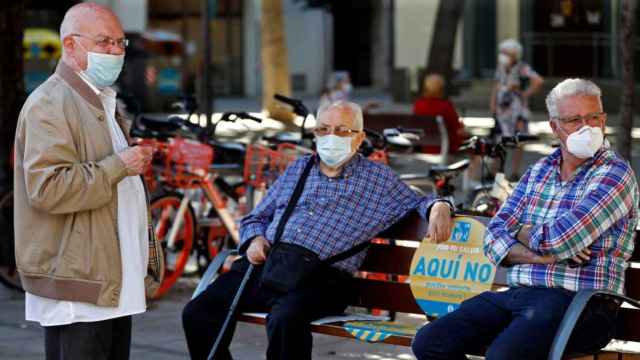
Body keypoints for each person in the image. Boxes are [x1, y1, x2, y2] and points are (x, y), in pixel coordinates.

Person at [182, 101, 455, 360]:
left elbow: (420, 201)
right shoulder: (299, 168)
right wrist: (254, 239)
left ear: (359, 138)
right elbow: (256, 217)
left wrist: (440, 206)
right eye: (323, 129)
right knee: (198, 312)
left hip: (323, 278)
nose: (330, 136)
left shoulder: (378, 180)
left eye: (341, 130)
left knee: (285, 319)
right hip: (270, 264)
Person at [412, 78, 639, 359]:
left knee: (503, 355)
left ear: (604, 120)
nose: (587, 127)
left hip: (581, 303)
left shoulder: (615, 173)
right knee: (429, 342)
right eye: (574, 120)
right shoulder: (539, 170)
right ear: (555, 127)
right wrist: (537, 255)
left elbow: (560, 240)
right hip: (520, 294)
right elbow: (493, 236)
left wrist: (519, 231)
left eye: (594, 117)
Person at [13, 3, 164, 359]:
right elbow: (47, 189)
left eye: (120, 42)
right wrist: (119, 166)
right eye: (104, 42)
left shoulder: (99, 100)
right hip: (79, 282)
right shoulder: (50, 104)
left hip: (109, 279)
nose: (115, 51)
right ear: (71, 46)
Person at [490, 38, 544, 180]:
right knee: (499, 139)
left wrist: (525, 93)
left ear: (514, 54)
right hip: (502, 110)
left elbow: (538, 80)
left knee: (518, 140)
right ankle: (495, 172)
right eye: (502, 52)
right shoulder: (501, 68)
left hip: (518, 110)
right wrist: (493, 103)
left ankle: (515, 172)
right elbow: (496, 86)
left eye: (506, 53)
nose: (503, 55)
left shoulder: (521, 67)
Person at [413, 73, 466, 154]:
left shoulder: (418, 105)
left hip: (424, 147)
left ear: (425, 88)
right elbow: (457, 128)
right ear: (441, 89)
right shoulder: (446, 106)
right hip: (445, 147)